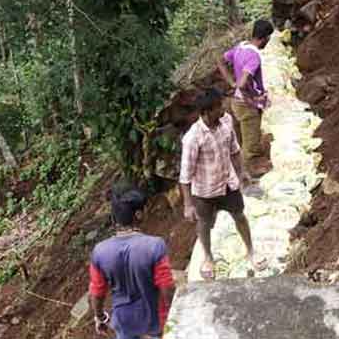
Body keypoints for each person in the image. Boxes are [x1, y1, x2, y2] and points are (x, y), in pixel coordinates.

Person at [179, 88, 263, 280]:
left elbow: (234, 149)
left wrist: (242, 172)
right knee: (204, 224)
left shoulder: (226, 121)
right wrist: (188, 204)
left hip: (228, 184)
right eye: (218, 107)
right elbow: (185, 176)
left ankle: (251, 251)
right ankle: (208, 257)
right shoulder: (193, 138)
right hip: (205, 191)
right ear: (206, 112)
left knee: (239, 216)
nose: (223, 108)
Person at [89, 183, 175, 339]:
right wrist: (176, 313)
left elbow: (97, 292)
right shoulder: (154, 246)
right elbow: (167, 287)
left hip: (124, 323)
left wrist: (100, 317)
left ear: (114, 217)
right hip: (155, 321)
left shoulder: (100, 252)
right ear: (138, 215)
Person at [217, 19, 274, 178]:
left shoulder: (240, 47)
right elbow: (243, 83)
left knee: (241, 140)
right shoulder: (254, 56)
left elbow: (220, 61)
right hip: (247, 105)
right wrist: (252, 97)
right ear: (265, 38)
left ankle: (238, 171)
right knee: (251, 147)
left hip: (236, 102)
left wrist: (231, 82)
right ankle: (248, 178)